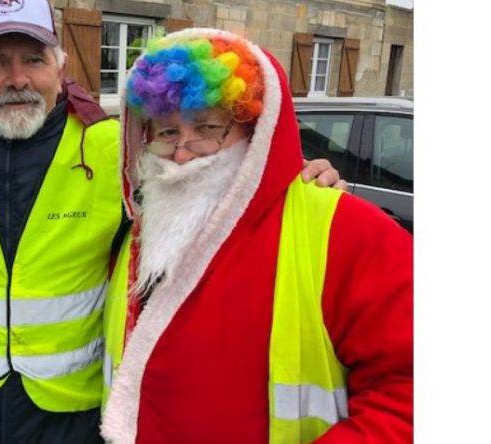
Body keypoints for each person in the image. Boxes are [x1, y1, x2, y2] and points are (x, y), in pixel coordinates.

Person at [0, 1, 344, 442]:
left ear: (60, 66)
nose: (18, 78)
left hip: (72, 413)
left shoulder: (116, 149)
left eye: (33, 59)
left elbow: (210, 183)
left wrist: (298, 175)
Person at [99, 28, 413, 443]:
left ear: (256, 130)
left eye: (208, 127)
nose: (181, 153)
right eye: (168, 133)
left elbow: (411, 393)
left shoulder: (349, 230)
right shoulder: (141, 231)